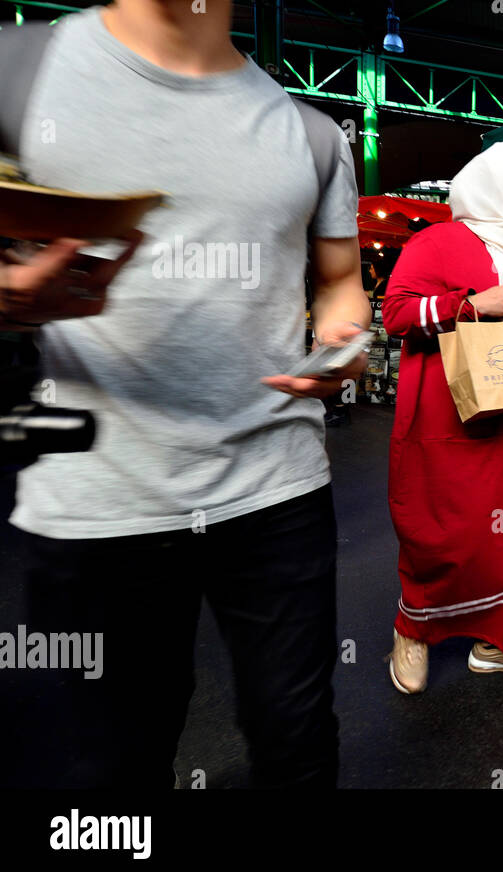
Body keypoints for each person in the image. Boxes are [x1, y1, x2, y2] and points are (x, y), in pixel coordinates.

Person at [0, 0, 368, 788]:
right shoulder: (18, 74)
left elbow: (342, 285)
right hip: (97, 498)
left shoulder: (312, 134)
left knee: (298, 746)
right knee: (110, 769)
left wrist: (346, 342)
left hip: (278, 490)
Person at [384, 142, 503, 691]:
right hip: (454, 422)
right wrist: (468, 303)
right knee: (448, 529)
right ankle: (413, 629)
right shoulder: (437, 241)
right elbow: (396, 312)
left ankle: (501, 642)